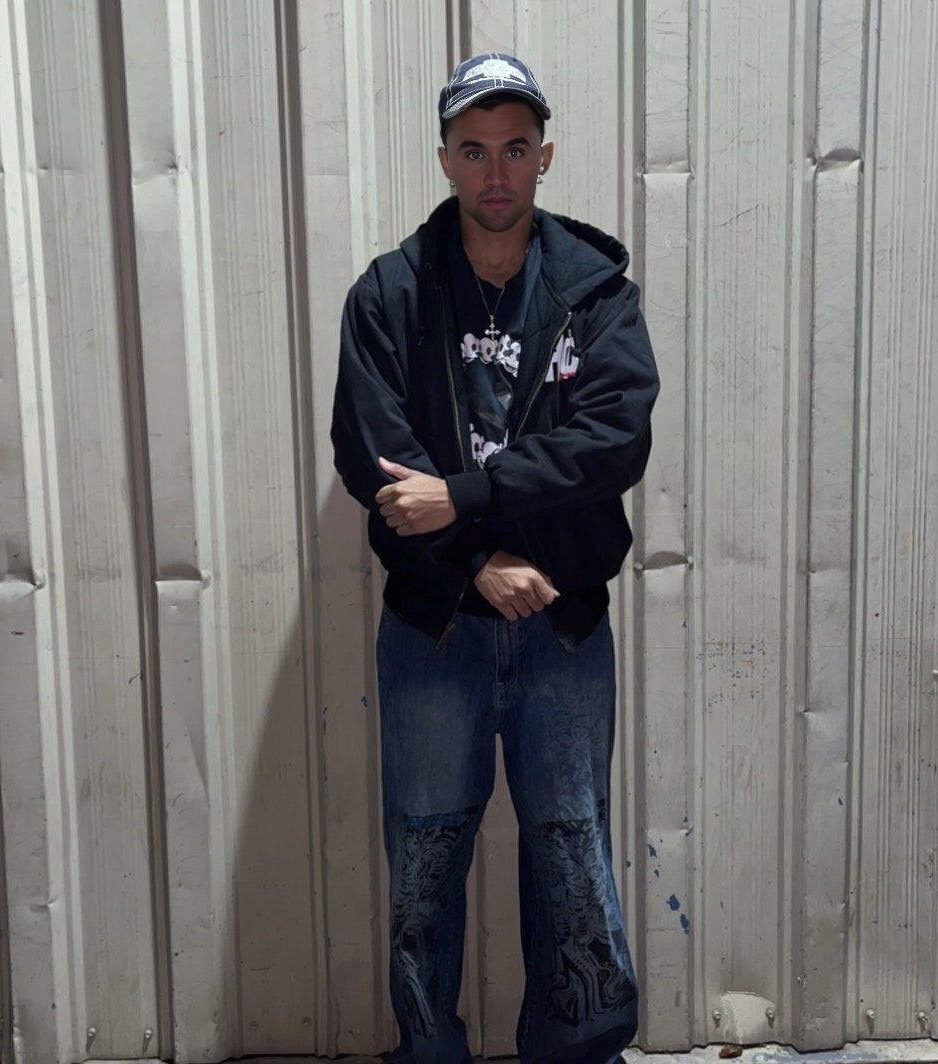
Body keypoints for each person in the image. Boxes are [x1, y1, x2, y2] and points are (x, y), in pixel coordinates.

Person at [331, 52, 659, 1064]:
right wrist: (476, 560)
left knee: (572, 856)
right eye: (473, 151)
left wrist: (466, 499)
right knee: (425, 858)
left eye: (515, 149)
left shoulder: (595, 293)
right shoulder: (389, 293)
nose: (496, 172)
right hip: (436, 629)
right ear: (445, 159)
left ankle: (578, 1050)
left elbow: (614, 441)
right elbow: (375, 461)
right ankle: (428, 1050)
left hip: (563, 624)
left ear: (544, 156)